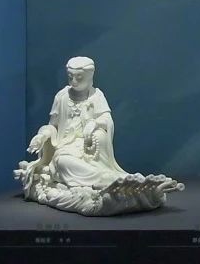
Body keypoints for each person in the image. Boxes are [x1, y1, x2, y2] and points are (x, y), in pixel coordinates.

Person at [17, 57, 180, 215]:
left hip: (89, 147)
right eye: (70, 76)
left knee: (101, 135)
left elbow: (107, 119)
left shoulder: (96, 96)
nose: (73, 81)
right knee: (62, 161)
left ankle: (111, 178)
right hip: (67, 146)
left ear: (90, 77)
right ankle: (106, 180)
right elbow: (53, 125)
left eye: (79, 77)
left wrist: (94, 124)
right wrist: (41, 136)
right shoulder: (62, 96)